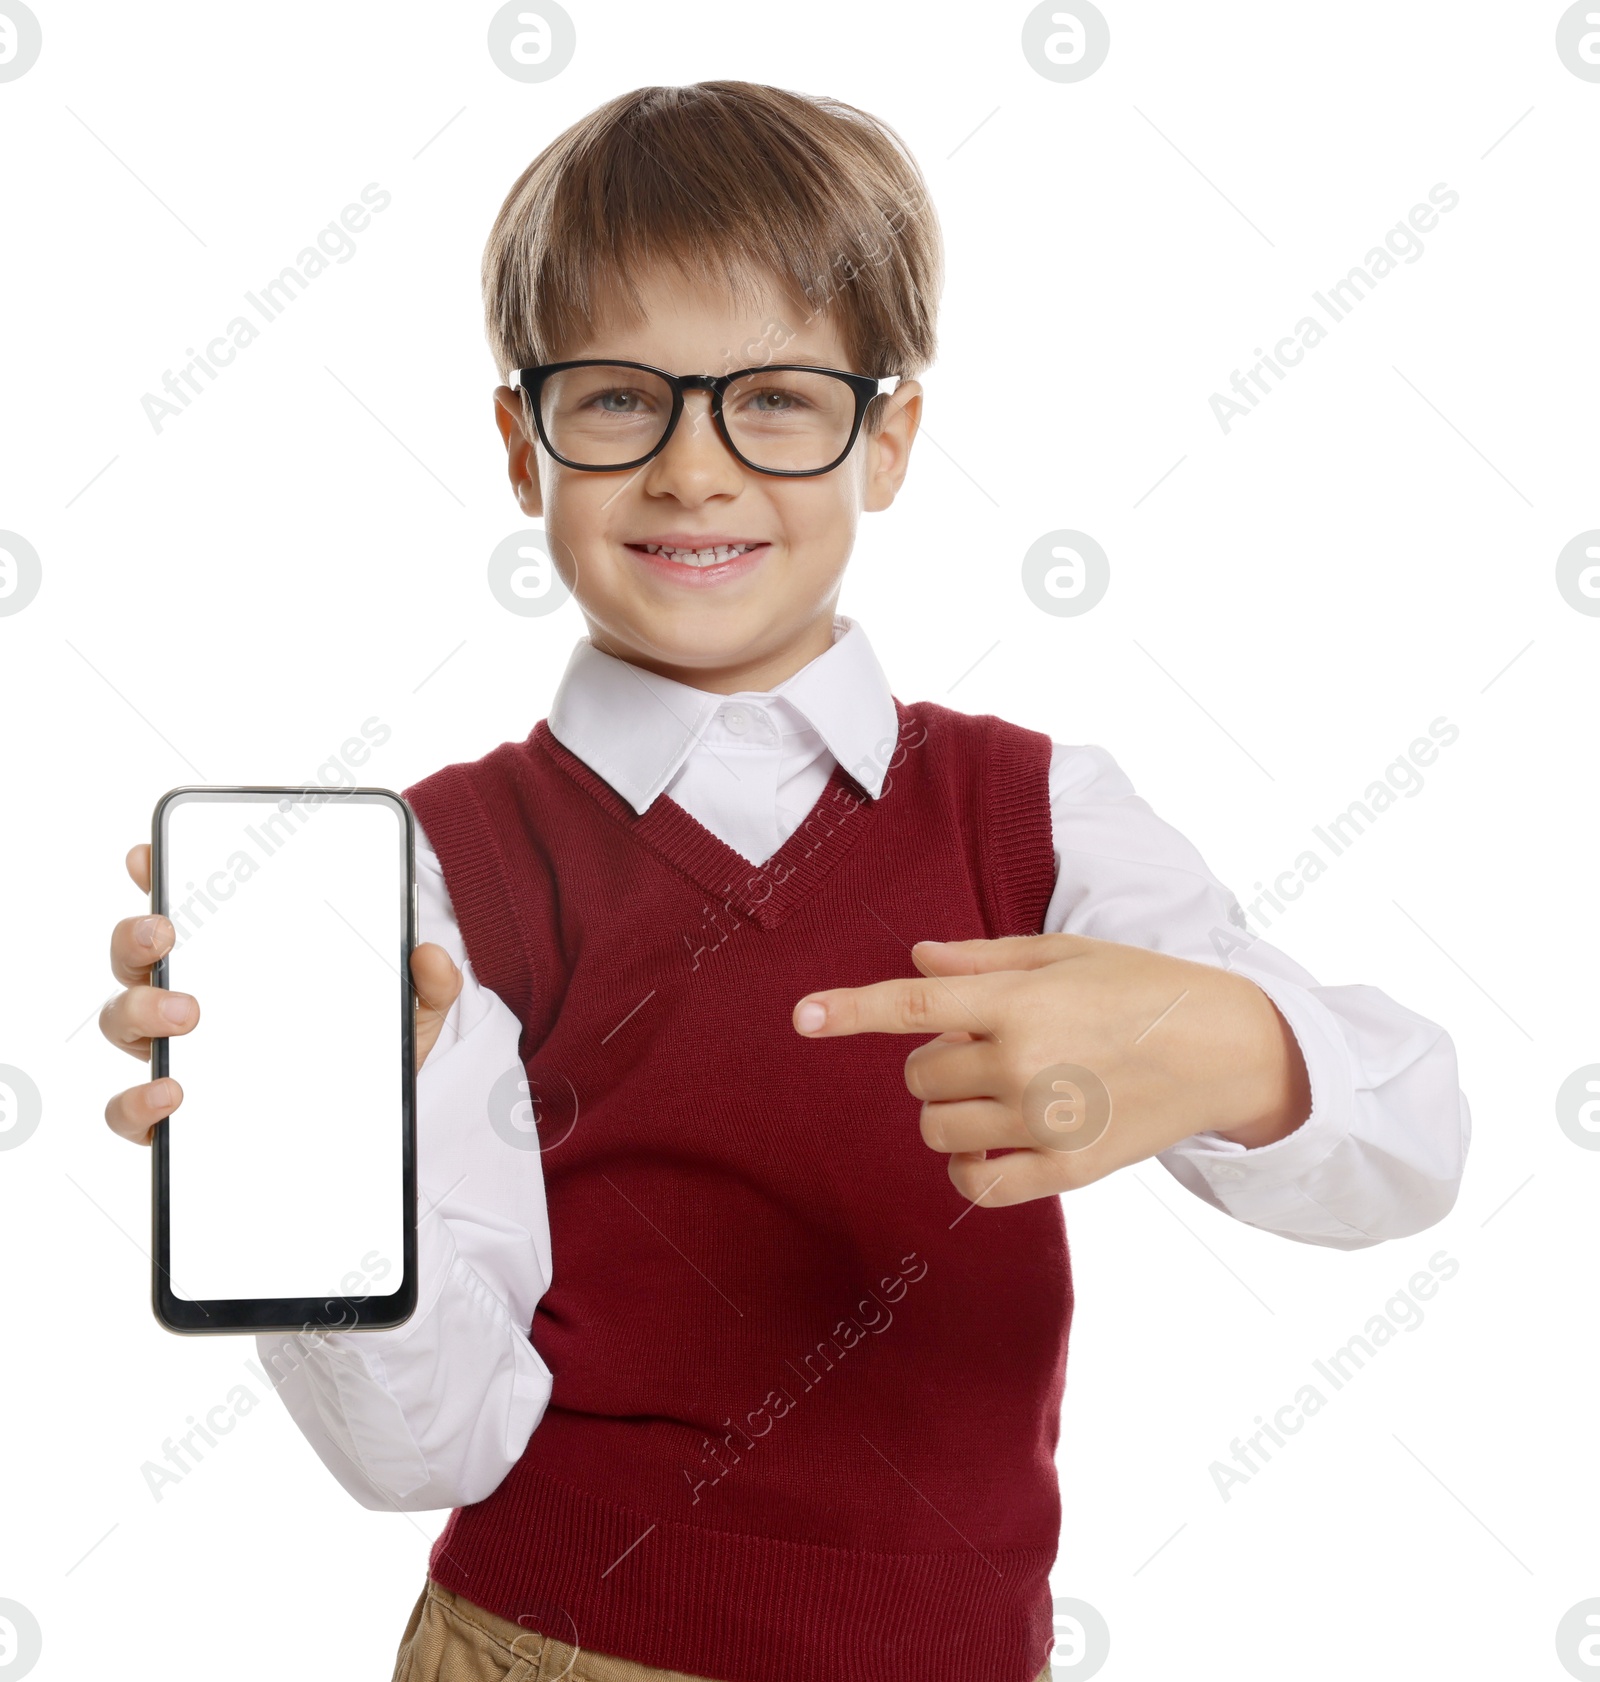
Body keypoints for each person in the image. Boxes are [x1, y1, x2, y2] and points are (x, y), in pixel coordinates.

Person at [98, 80, 1470, 1682]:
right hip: (547, 1647)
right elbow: (427, 1451)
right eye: (618, 401)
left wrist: (1238, 1049)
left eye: (777, 398)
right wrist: (333, 1173)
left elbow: (1418, 1144)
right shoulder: (432, 882)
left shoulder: (1034, 820)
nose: (695, 469)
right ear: (519, 443)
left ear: (886, 437)